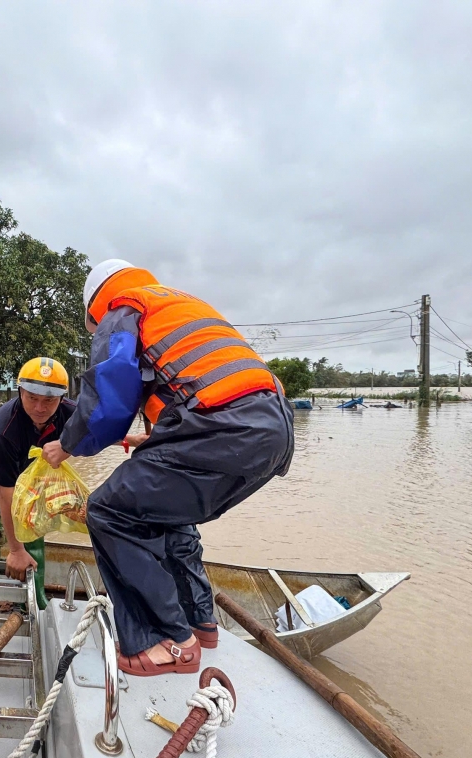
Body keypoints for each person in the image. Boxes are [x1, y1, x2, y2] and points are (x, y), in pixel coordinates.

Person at [42, 260, 294, 677]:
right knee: (164, 511)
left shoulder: (122, 310)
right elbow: (191, 386)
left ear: (93, 310)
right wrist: (152, 443)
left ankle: (165, 640)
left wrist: (67, 445)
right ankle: (200, 622)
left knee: (109, 511)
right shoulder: (179, 305)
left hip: (220, 428)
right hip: (274, 429)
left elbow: (110, 396)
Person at [0, 358, 75, 611]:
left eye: (49, 400)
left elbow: (97, 430)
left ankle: (36, 598)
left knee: (35, 523)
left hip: (33, 465)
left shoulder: (71, 412)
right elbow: (6, 495)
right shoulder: (4, 428)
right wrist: (15, 550)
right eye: (32, 398)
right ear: (20, 392)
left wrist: (130, 439)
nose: (39, 408)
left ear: (62, 398)